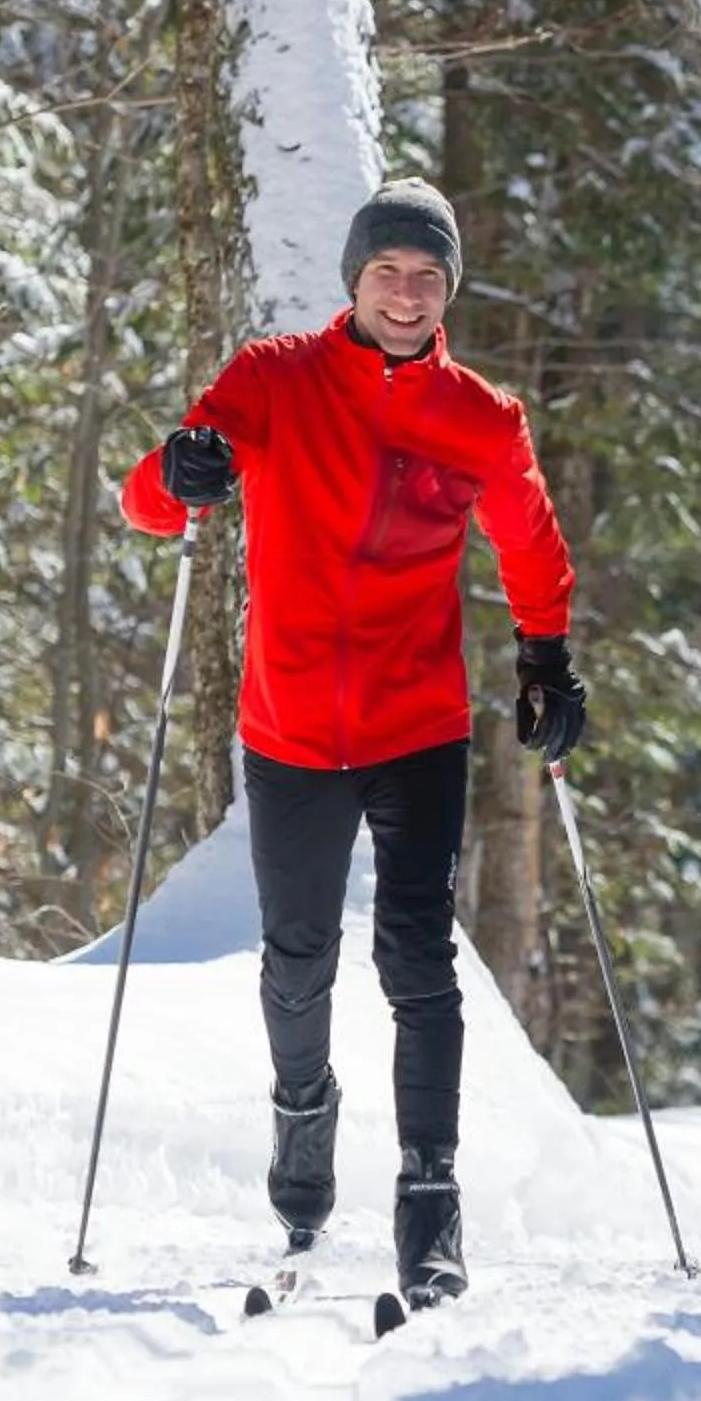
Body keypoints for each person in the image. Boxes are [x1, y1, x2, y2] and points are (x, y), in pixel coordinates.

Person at [120, 177, 588, 1305]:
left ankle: (431, 1199)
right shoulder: (274, 380)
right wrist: (175, 471)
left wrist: (546, 659)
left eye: (429, 277)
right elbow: (153, 500)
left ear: (448, 293)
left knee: (419, 962)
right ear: (356, 279)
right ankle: (301, 1118)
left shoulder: (481, 415)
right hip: (288, 726)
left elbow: (530, 542)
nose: (408, 293)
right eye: (389, 272)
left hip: (417, 723)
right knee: (295, 960)